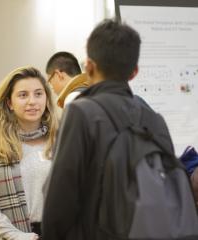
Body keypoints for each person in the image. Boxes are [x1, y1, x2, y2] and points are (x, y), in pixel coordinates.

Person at [42, 19, 176, 239]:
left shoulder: (81, 113)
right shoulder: (154, 120)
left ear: (89, 66)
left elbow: (60, 196)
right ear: (134, 72)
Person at [0, 66, 58, 240]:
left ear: (47, 100)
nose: (32, 101)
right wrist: (16, 236)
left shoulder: (60, 141)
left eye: (38, 94)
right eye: (23, 95)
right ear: (10, 103)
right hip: (7, 236)